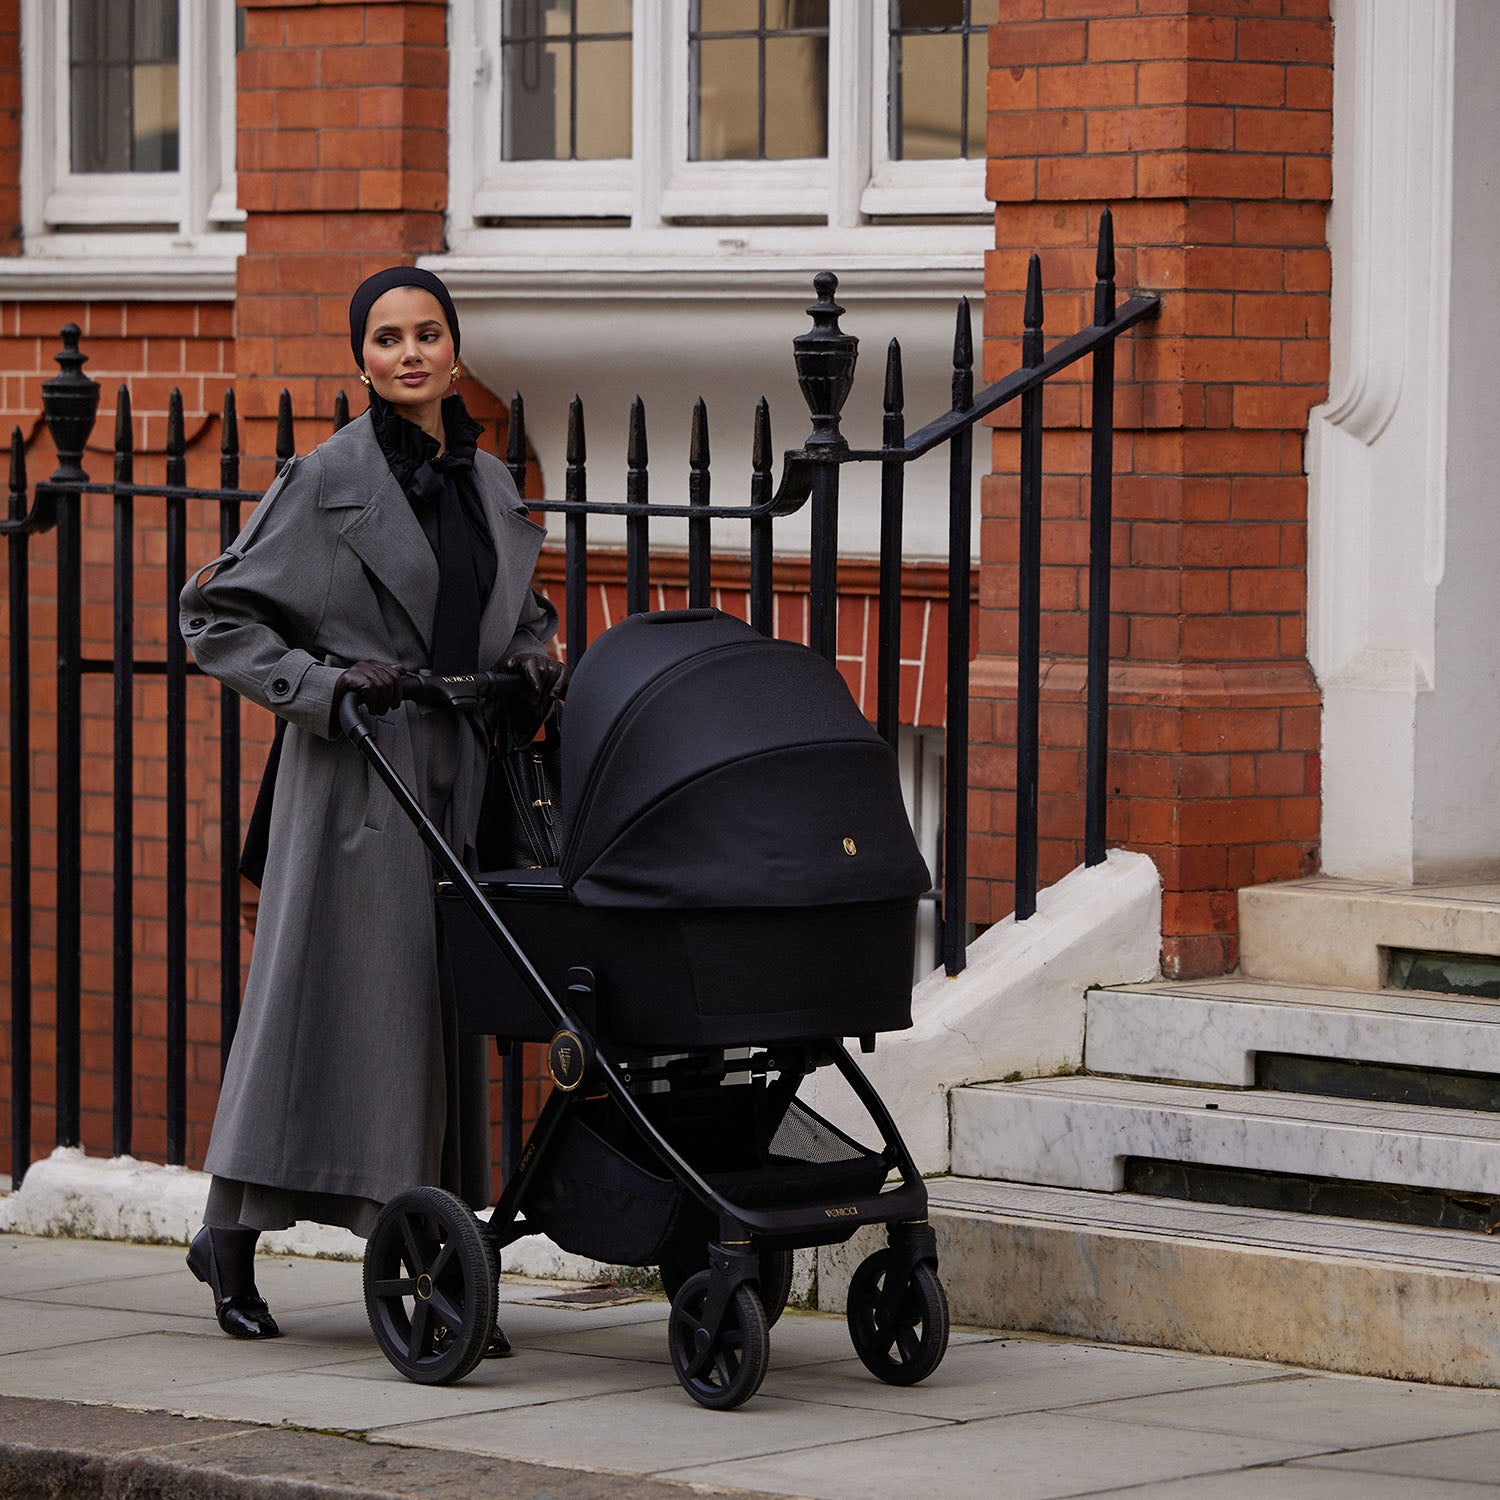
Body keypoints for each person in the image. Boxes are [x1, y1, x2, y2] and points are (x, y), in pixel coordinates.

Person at [178, 266, 561, 1342]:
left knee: (432, 1023)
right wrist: (322, 688)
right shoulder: (323, 478)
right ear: (361, 361)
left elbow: (516, 612)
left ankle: (435, 1251)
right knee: (311, 1014)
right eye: (387, 338)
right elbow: (214, 617)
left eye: (427, 334)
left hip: (461, 778)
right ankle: (234, 1238)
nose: (409, 353)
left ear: (454, 349)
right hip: (353, 778)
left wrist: (535, 662)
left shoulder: (485, 483)